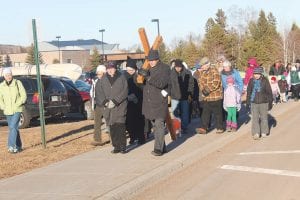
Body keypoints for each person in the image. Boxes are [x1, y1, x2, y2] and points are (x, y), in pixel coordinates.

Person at [138, 49, 170, 156]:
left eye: (153, 60)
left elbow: (161, 83)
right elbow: (141, 84)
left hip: (160, 101)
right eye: (149, 60)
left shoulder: (165, 68)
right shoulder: (149, 69)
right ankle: (163, 147)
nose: (151, 62)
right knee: (156, 126)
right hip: (149, 102)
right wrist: (139, 74)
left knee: (159, 124)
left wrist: (148, 76)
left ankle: (158, 149)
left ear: (157, 59)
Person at [95, 62, 128, 153]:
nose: (110, 70)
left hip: (120, 106)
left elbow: (125, 91)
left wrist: (115, 101)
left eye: (112, 68)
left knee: (120, 125)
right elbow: (99, 92)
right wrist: (105, 102)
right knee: (112, 126)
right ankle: (116, 146)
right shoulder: (103, 79)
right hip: (108, 107)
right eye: (109, 68)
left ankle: (122, 146)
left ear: (115, 68)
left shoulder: (121, 77)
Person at [0, 67, 27, 153]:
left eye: (10, 74)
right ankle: (19, 146)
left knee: (12, 127)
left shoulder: (17, 83)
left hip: (17, 109)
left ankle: (11, 146)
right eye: (6, 75)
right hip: (7, 110)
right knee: (14, 128)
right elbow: (0, 98)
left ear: (12, 75)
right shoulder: (1, 86)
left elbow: (23, 95)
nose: (8, 76)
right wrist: (3, 106)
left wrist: (18, 103)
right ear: (4, 76)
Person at [195, 57, 224, 134]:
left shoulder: (214, 71)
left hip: (216, 96)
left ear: (207, 64)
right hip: (207, 97)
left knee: (218, 113)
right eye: (201, 66)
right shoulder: (202, 73)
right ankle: (204, 128)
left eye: (202, 65)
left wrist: (207, 90)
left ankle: (220, 127)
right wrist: (203, 90)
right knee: (205, 113)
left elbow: (216, 83)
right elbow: (200, 82)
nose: (202, 67)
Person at [246, 66, 273, 140]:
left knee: (264, 118)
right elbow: (249, 92)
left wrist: (270, 102)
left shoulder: (265, 80)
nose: (256, 75)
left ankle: (264, 131)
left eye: (258, 73)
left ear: (261, 74)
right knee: (255, 118)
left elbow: (269, 92)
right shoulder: (251, 81)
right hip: (254, 102)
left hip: (263, 102)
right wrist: (248, 102)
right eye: (255, 74)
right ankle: (256, 133)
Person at [169, 59, 194, 134]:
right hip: (174, 96)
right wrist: (169, 95)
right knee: (174, 112)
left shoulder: (187, 73)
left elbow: (191, 84)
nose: (178, 68)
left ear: (182, 66)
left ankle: (184, 127)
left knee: (185, 113)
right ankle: (176, 126)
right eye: (177, 67)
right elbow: (169, 85)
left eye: (179, 67)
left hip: (185, 96)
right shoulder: (170, 74)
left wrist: (190, 94)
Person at [124, 57, 145, 145]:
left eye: (131, 70)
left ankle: (141, 138)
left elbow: (143, 88)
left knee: (139, 121)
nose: (129, 71)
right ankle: (132, 137)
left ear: (135, 69)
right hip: (128, 102)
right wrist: (127, 96)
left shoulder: (139, 76)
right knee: (129, 121)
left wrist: (137, 97)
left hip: (138, 102)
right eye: (128, 70)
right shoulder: (124, 76)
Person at [90, 65, 109, 146]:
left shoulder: (108, 80)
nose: (98, 75)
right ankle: (97, 139)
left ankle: (113, 139)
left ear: (104, 73)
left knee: (109, 122)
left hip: (106, 104)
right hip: (97, 104)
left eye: (100, 73)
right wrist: (93, 102)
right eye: (97, 73)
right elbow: (92, 92)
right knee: (97, 122)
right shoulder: (95, 81)